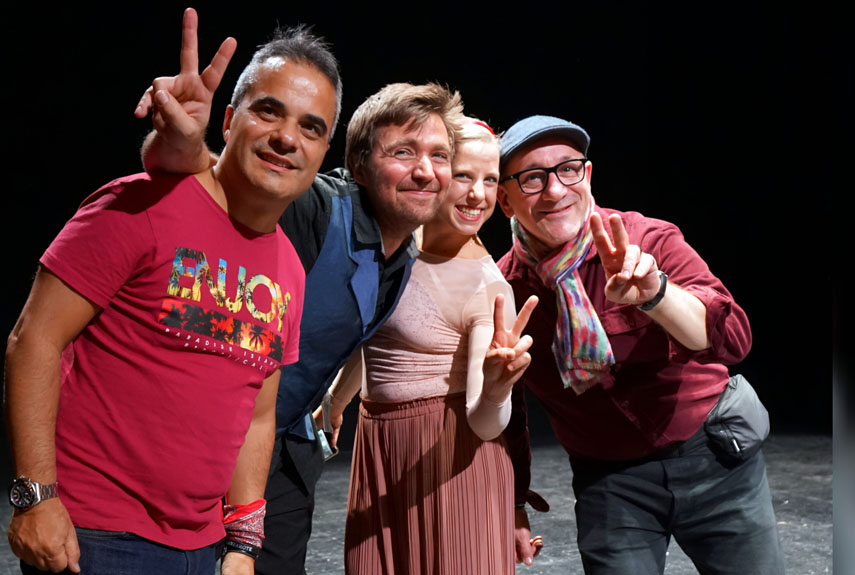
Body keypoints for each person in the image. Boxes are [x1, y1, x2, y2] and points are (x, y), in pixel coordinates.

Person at [4, 8, 337, 575]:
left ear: (324, 151)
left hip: (202, 548)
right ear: (228, 120)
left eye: (311, 128)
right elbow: (33, 339)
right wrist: (34, 496)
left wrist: (244, 542)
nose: (287, 138)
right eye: (268, 111)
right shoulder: (139, 204)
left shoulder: (289, 268)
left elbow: (258, 416)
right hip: (95, 538)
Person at [134, 15, 469, 574]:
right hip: (203, 452)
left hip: (283, 455)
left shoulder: (404, 253)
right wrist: (180, 145)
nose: (425, 171)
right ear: (358, 164)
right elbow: (233, 181)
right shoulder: (315, 209)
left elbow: (359, 332)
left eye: (439, 156)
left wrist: (334, 405)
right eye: (403, 152)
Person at [495, 115, 785, 574]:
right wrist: (512, 502)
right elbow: (506, 410)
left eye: (568, 169)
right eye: (532, 178)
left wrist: (656, 294)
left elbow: (732, 340)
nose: (554, 190)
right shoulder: (503, 288)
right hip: (611, 481)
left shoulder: (647, 240)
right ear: (504, 199)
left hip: (714, 457)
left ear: (587, 175)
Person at [320, 119, 539, 574]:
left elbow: (484, 423)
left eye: (490, 180)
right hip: (381, 449)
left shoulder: (487, 286)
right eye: (463, 175)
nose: (477, 194)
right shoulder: (398, 243)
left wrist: (497, 388)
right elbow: (376, 332)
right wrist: (336, 402)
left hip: (449, 461)